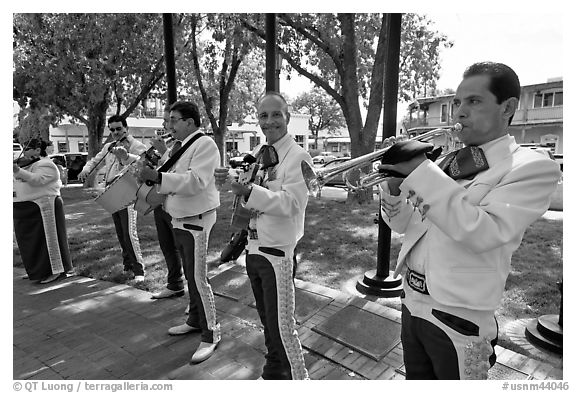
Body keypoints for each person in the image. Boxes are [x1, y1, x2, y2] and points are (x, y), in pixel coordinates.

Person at [377, 62, 562, 380]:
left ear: (508, 108)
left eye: (474, 102)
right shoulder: (448, 161)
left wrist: (422, 173)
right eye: (458, 103)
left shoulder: (529, 166)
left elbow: (483, 231)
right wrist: (393, 187)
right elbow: (405, 225)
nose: (460, 112)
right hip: (411, 303)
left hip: (458, 319)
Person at [215, 92, 311, 380]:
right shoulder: (258, 154)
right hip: (254, 248)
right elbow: (247, 197)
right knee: (267, 322)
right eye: (263, 116)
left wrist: (249, 191)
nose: (269, 121)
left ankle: (299, 378)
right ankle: (273, 372)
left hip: (277, 253)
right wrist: (230, 181)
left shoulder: (299, 156)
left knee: (283, 326)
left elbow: (293, 204)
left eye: (276, 114)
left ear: (288, 118)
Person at [136, 101, 221, 364]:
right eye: (169, 120)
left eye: (174, 119)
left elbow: (196, 181)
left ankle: (211, 333)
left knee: (198, 279)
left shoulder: (204, 144)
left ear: (190, 122)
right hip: (181, 219)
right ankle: (195, 319)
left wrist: (158, 177)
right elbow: (172, 174)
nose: (169, 125)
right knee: (192, 276)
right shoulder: (181, 146)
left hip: (196, 220)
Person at [78, 115, 147, 281]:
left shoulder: (137, 146)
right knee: (121, 232)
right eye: (112, 129)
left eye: (119, 129)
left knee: (130, 233)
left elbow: (143, 164)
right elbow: (96, 160)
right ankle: (127, 265)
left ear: (126, 128)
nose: (115, 132)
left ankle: (139, 271)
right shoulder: (109, 146)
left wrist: (125, 156)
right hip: (111, 189)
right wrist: (86, 169)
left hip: (127, 189)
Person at [13, 139, 73, 284]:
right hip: (23, 209)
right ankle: (36, 270)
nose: (23, 152)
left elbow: (37, 180)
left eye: (27, 149)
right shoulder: (25, 165)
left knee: (47, 241)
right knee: (29, 244)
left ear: (37, 150)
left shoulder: (46, 164)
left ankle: (55, 271)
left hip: (43, 206)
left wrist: (17, 170)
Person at [149, 104, 185, 300]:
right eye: (165, 121)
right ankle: (174, 283)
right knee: (167, 246)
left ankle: (197, 299)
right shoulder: (172, 145)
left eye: (170, 120)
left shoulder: (189, 145)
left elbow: (179, 173)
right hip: (161, 202)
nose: (166, 125)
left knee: (185, 250)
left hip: (178, 206)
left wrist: (163, 152)